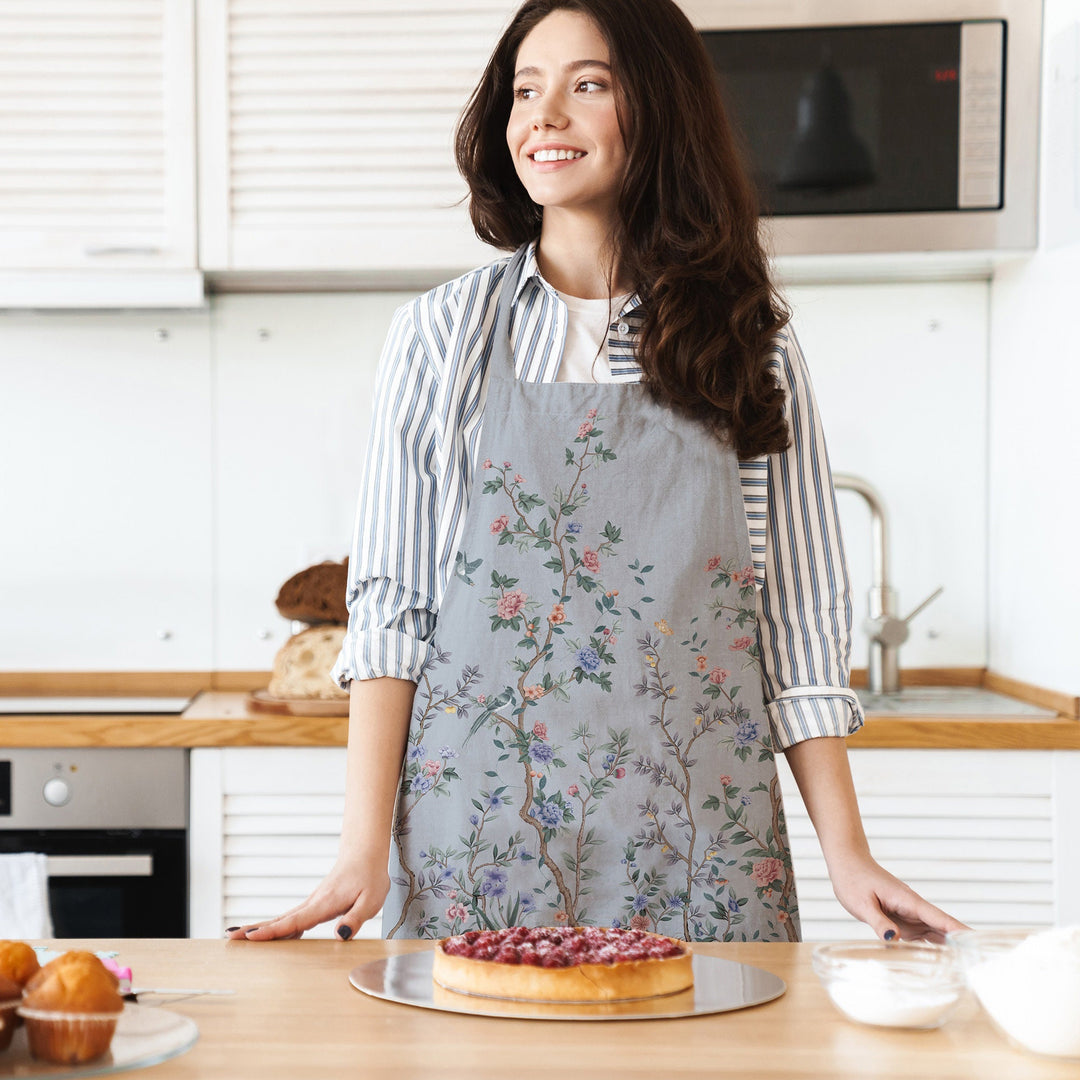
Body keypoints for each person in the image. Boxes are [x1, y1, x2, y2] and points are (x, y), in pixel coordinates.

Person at [228, 0, 967, 945]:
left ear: (656, 109)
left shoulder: (748, 343)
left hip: (701, 840)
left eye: (588, 85)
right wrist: (360, 846)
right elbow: (396, 606)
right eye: (525, 90)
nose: (545, 114)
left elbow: (794, 621)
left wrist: (849, 853)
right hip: (480, 838)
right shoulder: (441, 337)